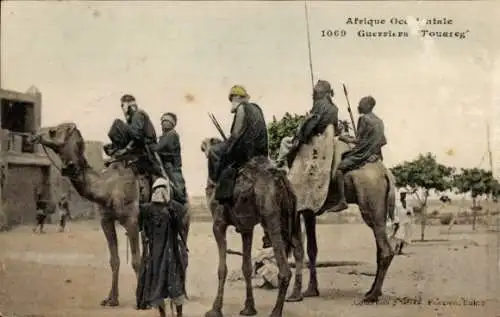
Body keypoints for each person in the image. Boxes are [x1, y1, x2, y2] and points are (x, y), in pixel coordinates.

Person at [136, 177, 188, 317]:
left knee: (174, 286)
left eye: (163, 189)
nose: (160, 192)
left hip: (170, 253)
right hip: (157, 254)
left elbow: (180, 227)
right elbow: (141, 226)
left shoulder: (175, 207)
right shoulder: (147, 209)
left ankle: (178, 315)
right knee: (159, 286)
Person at [327, 95, 387, 213]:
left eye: (361, 104)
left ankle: (342, 200)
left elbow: (358, 141)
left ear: (368, 106)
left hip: (362, 154)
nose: (358, 106)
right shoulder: (379, 121)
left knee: (339, 168)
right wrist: (376, 154)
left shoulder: (363, 119)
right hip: (375, 154)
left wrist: (344, 138)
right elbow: (382, 142)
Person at [213, 85, 269, 204]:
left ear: (238, 97)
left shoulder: (242, 108)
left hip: (247, 152)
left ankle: (220, 192)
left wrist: (227, 145)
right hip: (262, 152)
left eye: (232, 98)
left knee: (215, 151)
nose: (232, 101)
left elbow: (235, 134)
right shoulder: (257, 108)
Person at [276, 79, 339, 168]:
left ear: (321, 92)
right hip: (328, 137)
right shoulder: (335, 108)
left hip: (316, 138)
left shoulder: (319, 104)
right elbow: (335, 126)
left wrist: (300, 138)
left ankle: (280, 162)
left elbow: (311, 124)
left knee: (285, 141)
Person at [103, 94, 157, 164]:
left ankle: (121, 150)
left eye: (123, 105)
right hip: (141, 143)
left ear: (129, 104)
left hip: (145, 145)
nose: (122, 108)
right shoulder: (133, 117)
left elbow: (137, 136)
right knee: (107, 146)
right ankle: (117, 149)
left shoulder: (137, 114)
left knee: (117, 123)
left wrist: (125, 150)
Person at [151, 112, 188, 204]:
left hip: (172, 167)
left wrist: (150, 145)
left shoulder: (171, 134)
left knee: (178, 190)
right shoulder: (164, 136)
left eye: (167, 121)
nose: (164, 123)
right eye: (163, 121)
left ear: (173, 124)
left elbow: (158, 148)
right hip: (166, 164)